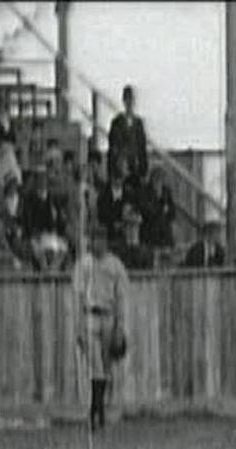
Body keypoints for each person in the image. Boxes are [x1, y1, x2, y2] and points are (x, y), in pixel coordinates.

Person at [73, 224, 130, 431]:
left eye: (100, 239)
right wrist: (79, 325)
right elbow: (79, 296)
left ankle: (98, 411)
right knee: (95, 365)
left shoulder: (115, 265)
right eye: (93, 239)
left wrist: (120, 326)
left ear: (105, 242)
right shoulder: (84, 264)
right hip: (91, 314)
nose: (96, 243)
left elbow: (121, 297)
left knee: (105, 367)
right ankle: (96, 413)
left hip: (108, 315)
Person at [108, 84, 148, 186]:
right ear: (123, 101)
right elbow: (112, 146)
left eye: (130, 99)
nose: (129, 102)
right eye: (126, 99)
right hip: (121, 165)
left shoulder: (138, 123)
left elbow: (142, 147)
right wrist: (112, 169)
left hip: (135, 164)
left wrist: (143, 170)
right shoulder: (116, 122)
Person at [138, 166, 175, 249]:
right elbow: (147, 211)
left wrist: (167, 211)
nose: (159, 182)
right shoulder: (144, 191)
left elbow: (172, 212)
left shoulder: (166, 191)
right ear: (152, 179)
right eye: (157, 179)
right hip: (150, 232)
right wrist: (162, 208)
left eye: (162, 180)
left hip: (165, 232)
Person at [112, 206, 154, 270]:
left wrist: (127, 219)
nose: (125, 213)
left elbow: (138, 220)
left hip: (135, 243)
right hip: (127, 243)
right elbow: (120, 225)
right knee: (127, 258)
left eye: (127, 210)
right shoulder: (125, 222)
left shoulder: (137, 217)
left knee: (136, 258)